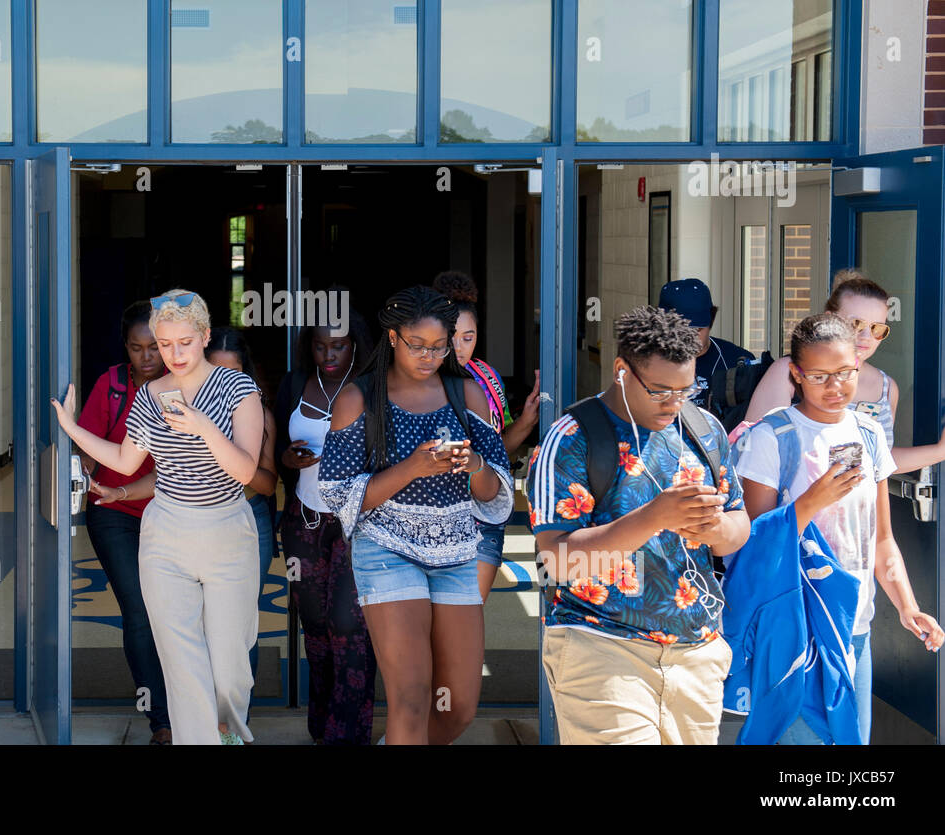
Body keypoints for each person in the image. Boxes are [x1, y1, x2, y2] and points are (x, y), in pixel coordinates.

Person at [528, 305, 749, 745]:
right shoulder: (574, 437)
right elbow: (556, 562)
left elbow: (739, 526)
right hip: (601, 644)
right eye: (660, 390)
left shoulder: (704, 430)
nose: (675, 402)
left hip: (695, 651)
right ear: (621, 371)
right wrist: (654, 517)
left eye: (687, 389)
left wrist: (712, 528)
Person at [52, 290, 263, 745]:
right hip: (166, 531)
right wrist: (72, 428)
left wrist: (202, 425)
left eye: (184, 342)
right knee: (182, 665)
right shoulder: (150, 395)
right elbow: (127, 461)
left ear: (205, 336)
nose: (174, 354)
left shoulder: (238, 389)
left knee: (229, 668)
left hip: (226, 529)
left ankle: (230, 734)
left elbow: (246, 470)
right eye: (165, 344)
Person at [731, 312, 944, 744]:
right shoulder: (773, 437)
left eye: (845, 373)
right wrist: (811, 502)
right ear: (796, 374)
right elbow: (748, 544)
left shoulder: (868, 434)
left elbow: (882, 540)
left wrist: (907, 606)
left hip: (856, 624)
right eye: (820, 376)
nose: (835, 387)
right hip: (795, 627)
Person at [318, 286, 513, 745]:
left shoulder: (467, 394)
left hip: (459, 553)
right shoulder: (358, 398)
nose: (430, 356)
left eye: (440, 346)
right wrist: (415, 467)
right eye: (418, 346)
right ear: (391, 338)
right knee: (410, 697)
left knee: (459, 706)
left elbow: (496, 493)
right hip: (387, 549)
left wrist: (474, 465)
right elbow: (337, 493)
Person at [272, 303, 378, 744]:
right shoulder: (296, 382)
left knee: (349, 627)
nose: (328, 354)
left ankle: (347, 734)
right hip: (304, 518)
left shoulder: (372, 389)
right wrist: (286, 459)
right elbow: (275, 445)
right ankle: (323, 728)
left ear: (355, 343)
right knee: (314, 626)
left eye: (338, 345)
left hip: (357, 524)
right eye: (320, 346)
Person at [74, 300, 171, 744]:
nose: (147, 357)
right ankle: (162, 721)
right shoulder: (111, 385)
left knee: (175, 613)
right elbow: (87, 444)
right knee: (138, 610)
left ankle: (191, 705)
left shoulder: (182, 386)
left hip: (171, 511)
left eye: (155, 347)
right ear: (125, 348)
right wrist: (88, 480)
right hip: (113, 511)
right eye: (137, 348)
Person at [745, 269, 945, 474]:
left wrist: (940, 451)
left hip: (857, 504)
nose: (866, 336)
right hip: (796, 502)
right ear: (829, 318)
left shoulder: (886, 387)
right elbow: (754, 448)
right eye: (856, 323)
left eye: (878, 328)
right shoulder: (788, 372)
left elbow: (879, 459)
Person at [433, 270, 541, 600]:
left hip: (484, 517)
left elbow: (498, 451)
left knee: (468, 614)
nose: (459, 347)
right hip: (433, 515)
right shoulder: (418, 381)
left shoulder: (487, 377)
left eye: (469, 337)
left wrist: (526, 420)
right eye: (451, 336)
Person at [202, 328, 278, 705]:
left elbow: (266, 484)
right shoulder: (183, 412)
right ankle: (197, 719)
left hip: (248, 517)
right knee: (194, 623)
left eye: (233, 373)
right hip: (196, 519)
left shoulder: (260, 413)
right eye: (215, 372)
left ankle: (234, 722)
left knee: (240, 624)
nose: (224, 382)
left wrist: (236, 465)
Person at [658, 278, 754, 411]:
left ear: (711, 319)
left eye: (697, 329)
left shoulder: (737, 360)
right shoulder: (648, 363)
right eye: (681, 329)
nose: (689, 337)